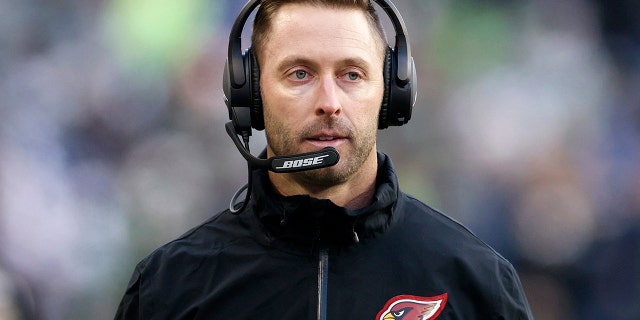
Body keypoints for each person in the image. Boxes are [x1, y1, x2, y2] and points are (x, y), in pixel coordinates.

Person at [114, 0, 534, 319]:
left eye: (351, 74)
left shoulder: (477, 282)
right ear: (249, 93)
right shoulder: (168, 288)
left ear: (391, 93)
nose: (329, 103)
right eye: (300, 74)